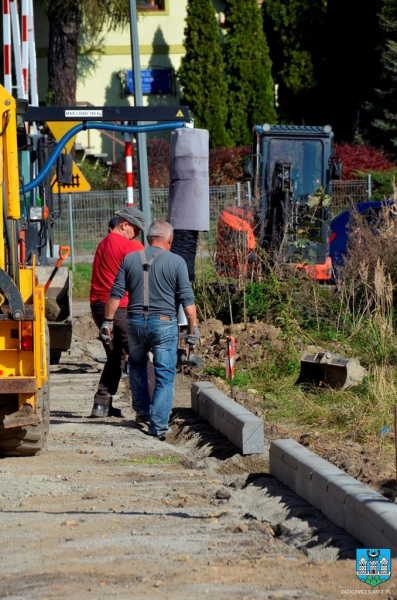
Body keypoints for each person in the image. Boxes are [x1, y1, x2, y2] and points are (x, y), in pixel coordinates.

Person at [101, 220, 199, 438]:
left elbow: (115, 293)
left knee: (136, 365)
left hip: (134, 322)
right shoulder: (176, 262)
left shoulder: (130, 259)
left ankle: (143, 411)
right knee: (164, 374)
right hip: (164, 324)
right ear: (170, 240)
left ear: (148, 239)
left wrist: (107, 322)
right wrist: (193, 330)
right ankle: (158, 425)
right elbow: (187, 299)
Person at [89, 207, 145, 418]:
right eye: (136, 230)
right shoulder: (128, 246)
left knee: (115, 356)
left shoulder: (103, 243)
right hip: (118, 307)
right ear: (124, 225)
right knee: (139, 354)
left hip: (98, 305)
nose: (137, 235)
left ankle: (102, 404)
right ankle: (148, 408)